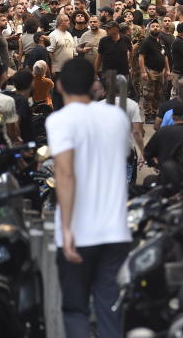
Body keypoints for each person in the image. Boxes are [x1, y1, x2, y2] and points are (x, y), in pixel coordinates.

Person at [46, 58, 131, 338]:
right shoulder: (116, 117)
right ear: (95, 86)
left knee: (75, 309)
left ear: (58, 86)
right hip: (116, 232)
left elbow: (66, 174)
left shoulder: (59, 120)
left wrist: (67, 228)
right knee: (109, 306)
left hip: (79, 234)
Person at [143, 103, 183, 169]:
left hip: (167, 175)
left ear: (172, 117)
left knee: (148, 179)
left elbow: (147, 153)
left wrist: (157, 165)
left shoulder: (163, 131)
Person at [138, 19, 170, 124]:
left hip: (161, 71)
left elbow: (165, 56)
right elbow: (141, 57)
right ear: (149, 28)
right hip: (150, 70)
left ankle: (155, 113)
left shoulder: (161, 41)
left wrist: (168, 70)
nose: (155, 28)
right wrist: (143, 72)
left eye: (157, 26)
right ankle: (148, 115)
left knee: (158, 93)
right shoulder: (146, 41)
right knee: (148, 94)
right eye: (153, 26)